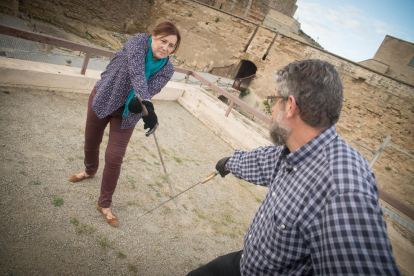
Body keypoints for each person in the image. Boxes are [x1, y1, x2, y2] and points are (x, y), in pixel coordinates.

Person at [188, 59, 400, 275]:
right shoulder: (298, 151)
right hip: (246, 265)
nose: (272, 109)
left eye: (274, 100)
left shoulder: (342, 190)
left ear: (289, 106)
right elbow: (264, 162)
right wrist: (230, 163)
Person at [68, 22, 181, 227]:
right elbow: (136, 72)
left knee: (115, 157)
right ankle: (89, 170)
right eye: (163, 41)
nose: (165, 48)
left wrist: (145, 108)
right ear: (153, 36)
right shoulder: (138, 42)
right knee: (91, 142)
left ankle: (104, 204)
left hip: (128, 112)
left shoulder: (167, 69)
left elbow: (150, 89)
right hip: (103, 97)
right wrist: (146, 101)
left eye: (171, 45)